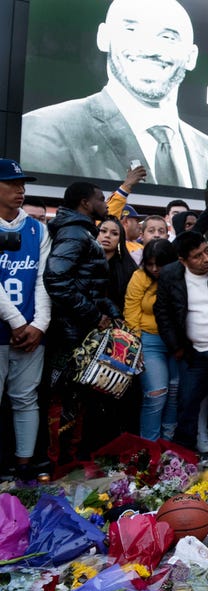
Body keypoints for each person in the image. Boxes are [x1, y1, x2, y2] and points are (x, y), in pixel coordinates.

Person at [21, 0, 208, 190]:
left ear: (191, 56)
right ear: (104, 38)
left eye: (168, 37)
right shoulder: (45, 132)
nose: (149, 49)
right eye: (131, 30)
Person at [43, 181, 122, 465]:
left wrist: (111, 313)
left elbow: (92, 286)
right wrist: (93, 314)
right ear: (86, 203)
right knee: (64, 400)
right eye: (102, 198)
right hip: (70, 332)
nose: (106, 203)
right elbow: (56, 279)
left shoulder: (81, 232)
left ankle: (71, 460)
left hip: (80, 329)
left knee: (77, 399)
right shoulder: (75, 234)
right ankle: (59, 466)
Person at [155, 230, 208, 459]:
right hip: (192, 352)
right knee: (187, 403)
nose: (206, 258)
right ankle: (185, 455)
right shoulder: (170, 274)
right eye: (198, 256)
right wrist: (177, 347)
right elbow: (163, 313)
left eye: (207, 251)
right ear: (183, 260)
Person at [0, 159, 50, 479]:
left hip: (30, 333)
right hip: (8, 328)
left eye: (22, 184)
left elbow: (44, 279)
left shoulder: (37, 228)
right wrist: (17, 321)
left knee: (26, 399)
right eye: (12, 184)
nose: (21, 190)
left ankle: (24, 467)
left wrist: (39, 324)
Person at [124, 238, 179, 440]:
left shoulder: (180, 276)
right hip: (149, 341)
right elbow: (131, 313)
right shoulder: (139, 278)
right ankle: (149, 449)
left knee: (174, 392)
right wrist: (136, 346)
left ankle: (168, 447)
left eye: (160, 264)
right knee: (156, 394)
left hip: (177, 341)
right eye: (150, 264)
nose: (154, 269)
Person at [97, 216, 138, 312]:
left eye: (114, 233)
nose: (107, 236)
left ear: (120, 240)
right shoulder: (82, 263)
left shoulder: (129, 270)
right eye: (103, 231)